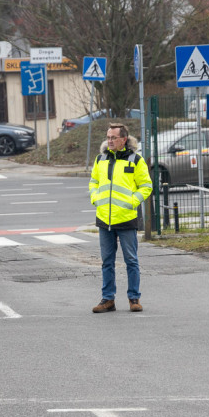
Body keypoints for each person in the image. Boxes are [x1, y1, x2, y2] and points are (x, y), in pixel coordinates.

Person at [88, 123, 152, 313]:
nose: (109, 141)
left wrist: (133, 201)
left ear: (123, 140)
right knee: (107, 262)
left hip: (126, 218)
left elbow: (146, 186)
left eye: (113, 138)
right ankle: (108, 299)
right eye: (108, 137)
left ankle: (134, 298)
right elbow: (93, 182)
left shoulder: (135, 160)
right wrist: (95, 199)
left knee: (131, 260)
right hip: (104, 219)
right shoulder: (100, 159)